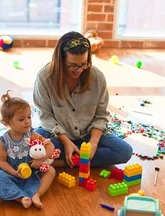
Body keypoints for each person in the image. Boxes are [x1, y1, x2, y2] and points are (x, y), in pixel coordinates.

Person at [33, 31, 132, 168]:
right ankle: (76, 159)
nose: (79, 70)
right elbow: (46, 117)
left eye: (84, 64)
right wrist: (67, 142)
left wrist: (93, 142)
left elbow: (101, 115)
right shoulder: (45, 78)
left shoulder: (97, 77)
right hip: (58, 136)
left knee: (124, 152)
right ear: (60, 61)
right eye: (72, 65)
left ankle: (63, 161)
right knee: (31, 151)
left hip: (88, 134)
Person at [0, 91, 56, 209]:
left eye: (29, 117)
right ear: (8, 122)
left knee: (50, 171)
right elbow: (1, 162)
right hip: (11, 173)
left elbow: (50, 146)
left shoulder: (31, 134)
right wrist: (14, 173)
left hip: (31, 170)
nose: (27, 121)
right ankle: (20, 198)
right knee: (0, 180)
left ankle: (36, 194)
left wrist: (41, 161)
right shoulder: (3, 141)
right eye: (21, 119)